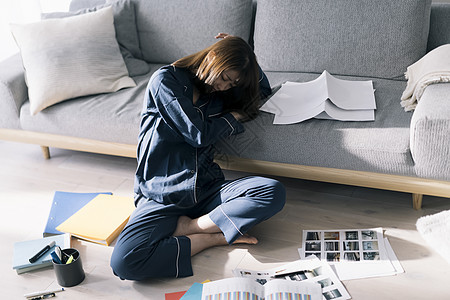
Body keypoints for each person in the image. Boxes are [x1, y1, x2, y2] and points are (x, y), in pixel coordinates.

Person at [110, 33, 286, 280]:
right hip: (163, 194)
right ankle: (210, 237)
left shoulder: (219, 92)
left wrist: (247, 57)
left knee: (272, 192)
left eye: (231, 84)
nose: (224, 86)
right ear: (213, 56)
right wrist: (231, 117)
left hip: (207, 187)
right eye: (225, 78)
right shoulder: (165, 80)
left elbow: (262, 91)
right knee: (125, 262)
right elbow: (197, 133)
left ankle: (189, 227)